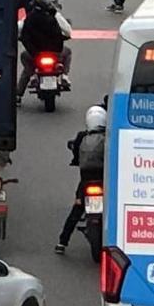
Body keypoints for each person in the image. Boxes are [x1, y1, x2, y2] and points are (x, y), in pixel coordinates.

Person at [56, 105, 107, 254]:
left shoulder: (81, 136)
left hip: (86, 179)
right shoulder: (109, 136)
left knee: (77, 207)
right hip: (104, 177)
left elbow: (75, 155)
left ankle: (62, 242)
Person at [18, 0, 72, 98]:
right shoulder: (55, 16)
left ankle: (19, 93)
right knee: (68, 52)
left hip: (36, 54)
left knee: (25, 60)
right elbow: (67, 31)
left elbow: (22, 32)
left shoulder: (30, 18)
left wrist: (32, 51)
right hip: (55, 52)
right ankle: (65, 76)